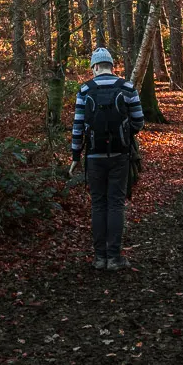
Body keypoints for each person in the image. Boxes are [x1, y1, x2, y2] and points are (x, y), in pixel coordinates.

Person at [69, 47, 144, 270]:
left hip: (94, 156)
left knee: (99, 205)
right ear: (112, 66)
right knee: (116, 204)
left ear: (94, 67)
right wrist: (124, 132)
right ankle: (114, 258)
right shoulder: (127, 87)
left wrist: (75, 156)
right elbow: (139, 121)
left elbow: (78, 127)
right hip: (120, 155)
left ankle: (99, 257)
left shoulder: (84, 90)